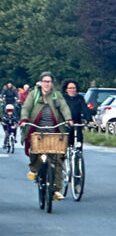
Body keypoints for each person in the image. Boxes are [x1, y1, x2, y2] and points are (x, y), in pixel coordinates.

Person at [20, 72, 71, 200]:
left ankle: (56, 189)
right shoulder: (34, 95)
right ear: (40, 82)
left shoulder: (56, 95)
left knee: (58, 159)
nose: (47, 84)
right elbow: (26, 107)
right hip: (37, 129)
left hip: (54, 130)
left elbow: (64, 107)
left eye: (49, 81)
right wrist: (24, 119)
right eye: (45, 81)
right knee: (34, 149)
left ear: (52, 83)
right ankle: (34, 169)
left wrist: (68, 119)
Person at [61, 80, 90, 147]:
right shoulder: (63, 98)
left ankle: (78, 155)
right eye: (70, 88)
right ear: (66, 89)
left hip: (77, 123)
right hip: (65, 124)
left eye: (74, 88)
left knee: (79, 141)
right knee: (66, 142)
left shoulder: (80, 98)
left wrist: (90, 120)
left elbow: (85, 109)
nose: (72, 90)